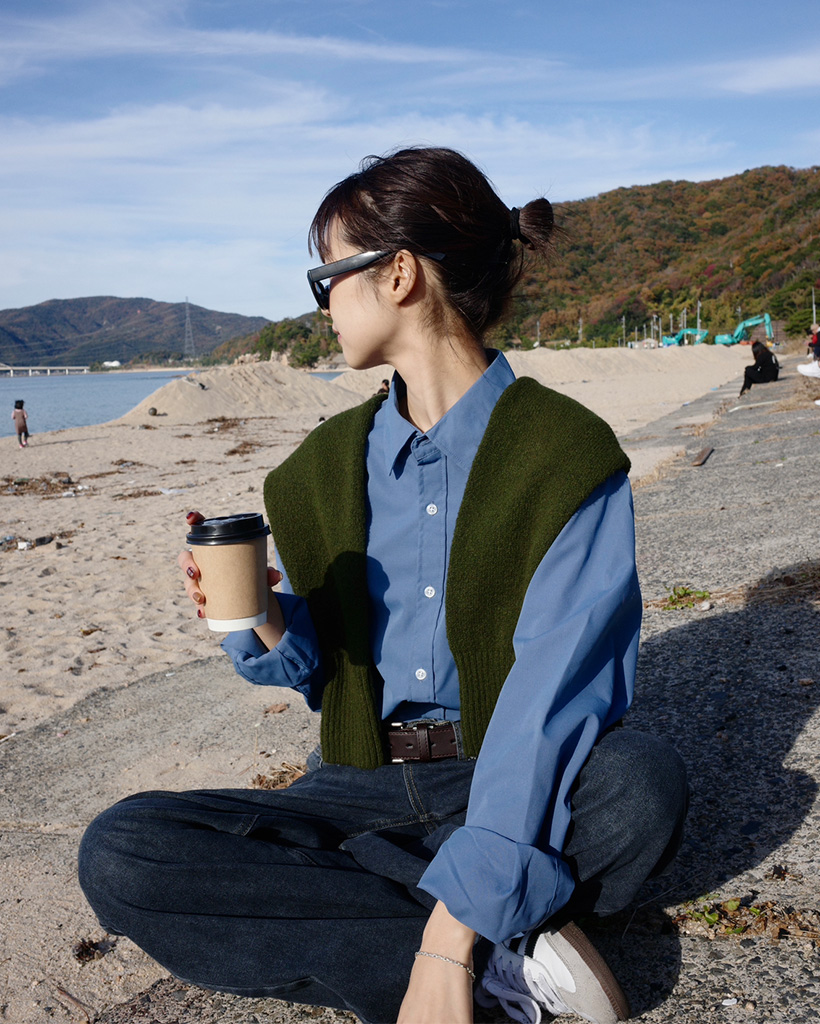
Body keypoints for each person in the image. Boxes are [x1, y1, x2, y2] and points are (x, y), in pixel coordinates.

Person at [78, 147, 688, 1024]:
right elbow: (326, 672)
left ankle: (422, 933)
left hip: (504, 764)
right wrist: (260, 618)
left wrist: (444, 943)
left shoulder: (563, 454)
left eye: (326, 276)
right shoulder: (319, 470)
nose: (321, 303)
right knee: (124, 851)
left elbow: (553, 701)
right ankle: (509, 940)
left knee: (638, 785)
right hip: (356, 782)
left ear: (398, 275)